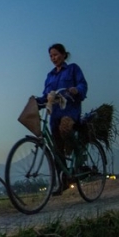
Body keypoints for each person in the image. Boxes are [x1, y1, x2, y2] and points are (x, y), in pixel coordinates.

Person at [36, 43, 88, 191]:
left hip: (70, 111)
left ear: (64, 54)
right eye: (51, 56)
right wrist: (37, 101)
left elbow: (83, 85)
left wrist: (76, 90)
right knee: (56, 149)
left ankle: (79, 154)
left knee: (65, 128)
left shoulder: (73, 69)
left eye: (56, 55)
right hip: (55, 114)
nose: (53, 58)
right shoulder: (50, 75)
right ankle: (62, 181)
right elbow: (46, 95)